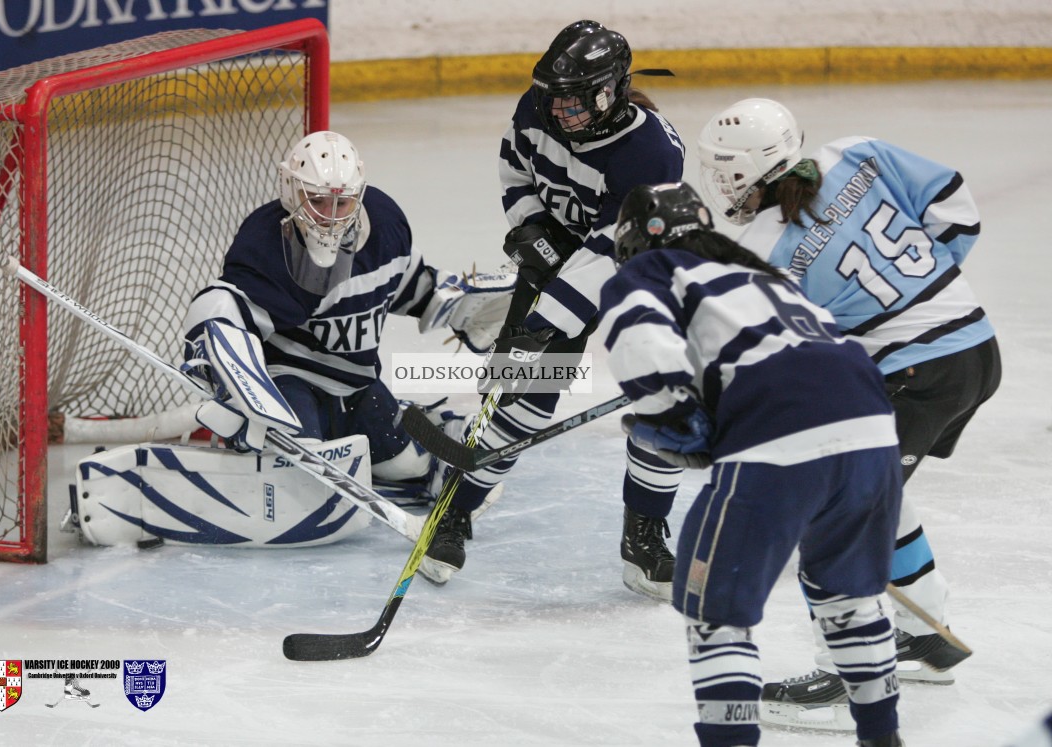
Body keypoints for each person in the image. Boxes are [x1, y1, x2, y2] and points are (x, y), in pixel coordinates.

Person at [696, 97, 1002, 728]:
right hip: (974, 347)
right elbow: (953, 207)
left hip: (920, 375)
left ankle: (845, 680)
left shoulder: (761, 247)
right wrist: (929, 300)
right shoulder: (855, 152)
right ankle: (925, 633)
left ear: (740, 173)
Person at [597, 181, 905, 747]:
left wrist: (671, 421)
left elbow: (642, 344)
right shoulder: (762, 275)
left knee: (718, 613)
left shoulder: (651, 270)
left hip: (781, 429)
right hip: (872, 424)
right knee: (849, 599)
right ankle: (882, 739)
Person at [421, 19, 689, 592]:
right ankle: (455, 510)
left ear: (610, 91)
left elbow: (609, 254)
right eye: (555, 97)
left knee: (665, 401)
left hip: (637, 275)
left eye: (575, 100)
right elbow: (514, 163)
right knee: (518, 400)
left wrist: (544, 323)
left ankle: (643, 542)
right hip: (560, 259)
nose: (560, 111)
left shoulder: (651, 154)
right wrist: (530, 226)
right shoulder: (540, 107)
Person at [181, 130, 515, 511]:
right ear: (292, 191)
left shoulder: (385, 224)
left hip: (355, 384)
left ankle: (440, 427)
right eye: (318, 200)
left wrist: (460, 306)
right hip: (289, 382)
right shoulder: (265, 243)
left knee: (407, 464)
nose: (330, 216)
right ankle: (270, 443)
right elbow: (224, 306)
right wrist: (225, 359)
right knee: (297, 467)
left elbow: (408, 285)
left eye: (342, 203)